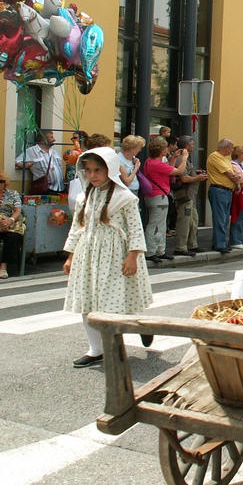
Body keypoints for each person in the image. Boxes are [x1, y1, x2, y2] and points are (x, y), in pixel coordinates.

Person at [62, 147, 153, 367]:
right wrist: (71, 255)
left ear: (110, 170)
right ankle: (96, 349)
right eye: (89, 170)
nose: (92, 175)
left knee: (114, 301)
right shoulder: (85, 196)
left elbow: (135, 229)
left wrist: (132, 256)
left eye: (98, 170)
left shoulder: (125, 197)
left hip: (115, 255)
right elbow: (77, 227)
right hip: (88, 254)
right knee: (87, 300)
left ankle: (138, 327)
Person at [141, 137, 187, 262]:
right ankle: (151, 251)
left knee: (160, 225)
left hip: (155, 196)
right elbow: (178, 171)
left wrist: (173, 158)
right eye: (166, 148)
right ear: (162, 151)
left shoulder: (150, 162)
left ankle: (160, 250)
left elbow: (167, 170)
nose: (168, 149)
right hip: (159, 196)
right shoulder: (157, 164)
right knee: (156, 225)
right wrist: (184, 158)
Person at [172, 135, 207, 257]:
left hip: (190, 195)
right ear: (186, 145)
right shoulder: (181, 159)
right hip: (184, 194)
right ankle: (181, 246)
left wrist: (195, 173)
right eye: (192, 144)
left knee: (193, 221)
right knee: (184, 221)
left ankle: (192, 244)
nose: (193, 146)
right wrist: (197, 177)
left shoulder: (186, 158)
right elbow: (184, 178)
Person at [206, 139, 242, 253]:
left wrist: (236, 183)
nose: (232, 150)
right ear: (225, 148)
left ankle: (220, 242)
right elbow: (230, 173)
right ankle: (219, 244)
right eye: (231, 148)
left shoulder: (226, 158)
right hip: (219, 190)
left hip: (227, 191)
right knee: (220, 218)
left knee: (225, 218)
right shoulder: (215, 156)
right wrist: (236, 180)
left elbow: (234, 174)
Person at [15, 129, 65, 195]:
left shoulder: (54, 152)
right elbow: (17, 161)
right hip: (45, 189)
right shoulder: (32, 151)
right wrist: (25, 165)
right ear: (43, 139)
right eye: (51, 137)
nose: (54, 140)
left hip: (60, 189)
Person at [0, 171, 24, 278]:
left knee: (12, 237)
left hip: (10, 223)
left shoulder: (13, 194)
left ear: (5, 183)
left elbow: (18, 211)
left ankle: (3, 267)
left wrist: (10, 220)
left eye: (1, 181)